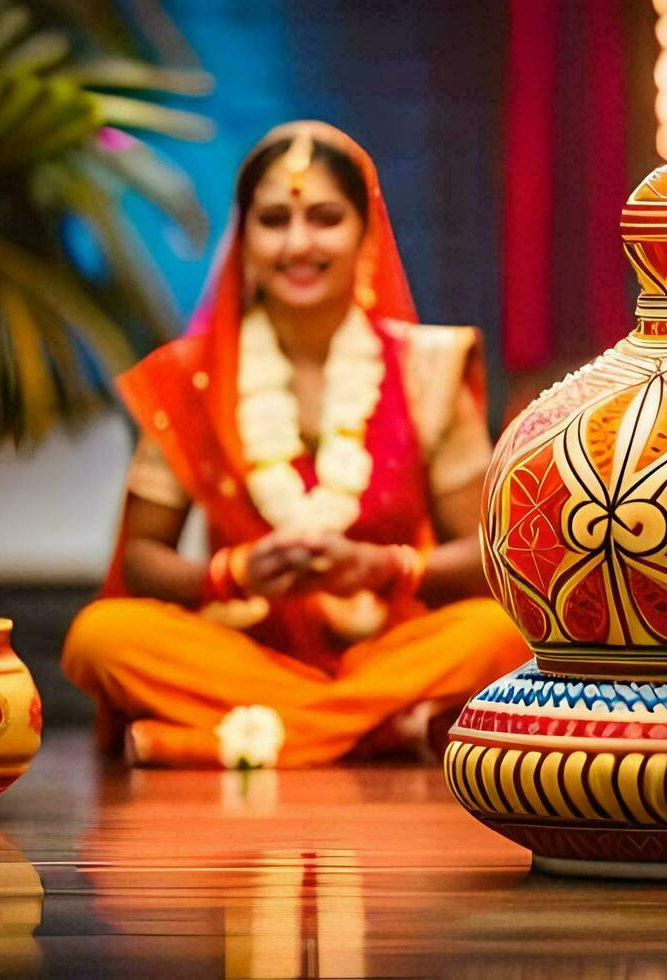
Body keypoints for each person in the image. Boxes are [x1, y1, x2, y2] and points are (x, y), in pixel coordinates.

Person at [61, 121, 530, 767]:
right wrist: (233, 574)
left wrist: (386, 568)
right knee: (100, 637)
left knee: (502, 632)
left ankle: (233, 739)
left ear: (367, 233)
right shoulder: (189, 378)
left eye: (326, 218)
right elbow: (142, 558)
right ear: (244, 239)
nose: (299, 243)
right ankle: (380, 731)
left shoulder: (428, 368)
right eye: (275, 219)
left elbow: (484, 558)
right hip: (244, 647)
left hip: (391, 646)